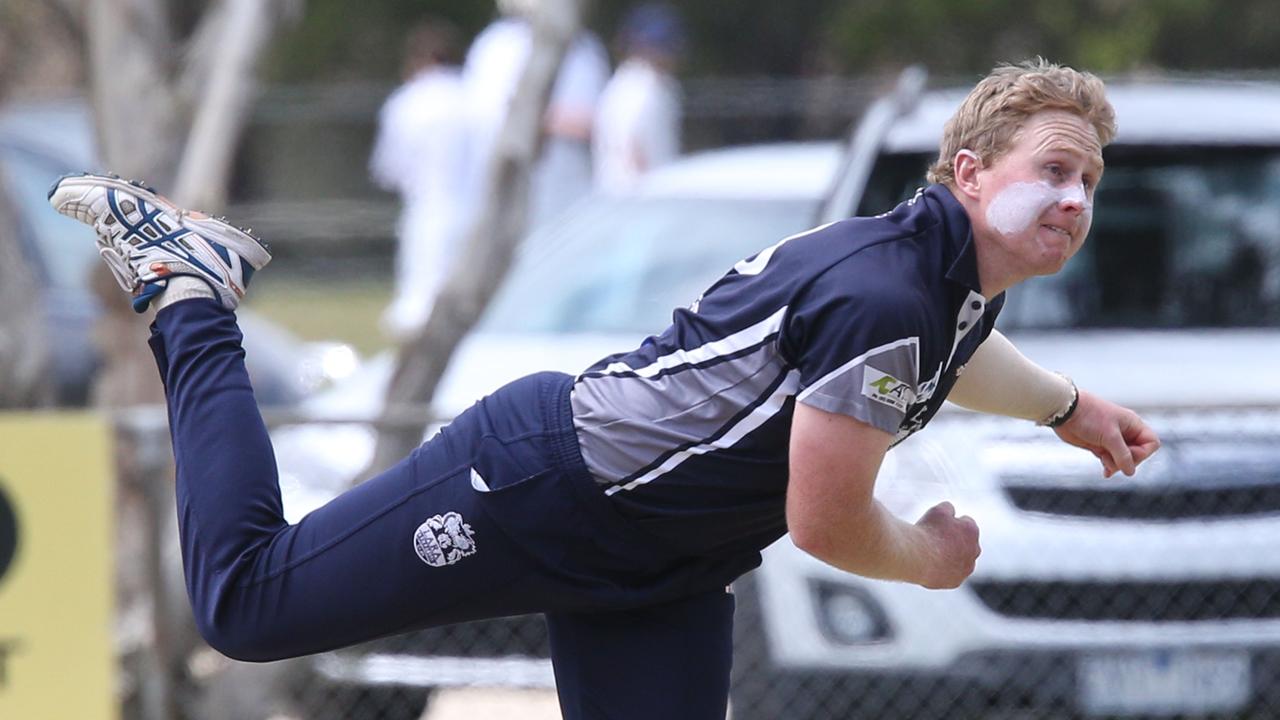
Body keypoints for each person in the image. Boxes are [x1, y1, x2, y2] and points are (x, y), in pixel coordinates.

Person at [49, 59, 1160, 720]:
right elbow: (822, 523)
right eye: (1050, 171)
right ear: (966, 175)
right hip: (538, 487)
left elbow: (956, 355)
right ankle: (191, 295)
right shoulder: (888, 293)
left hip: (660, 564)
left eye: (1087, 182)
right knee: (246, 604)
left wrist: (1068, 410)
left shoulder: (947, 278)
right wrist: (927, 555)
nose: (1073, 199)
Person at [463, 0, 610, 226]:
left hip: (567, 191)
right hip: (507, 190)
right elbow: (487, 117)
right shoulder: (497, 45)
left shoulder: (583, 48)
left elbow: (599, 121)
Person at [368, 20, 471, 340]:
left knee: (420, 297)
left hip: (426, 204)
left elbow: (389, 167)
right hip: (474, 207)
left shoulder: (407, 102)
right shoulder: (473, 98)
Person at [593, 3, 685, 192]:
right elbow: (634, 148)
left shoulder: (619, 85)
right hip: (641, 197)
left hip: (613, 197)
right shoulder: (649, 89)